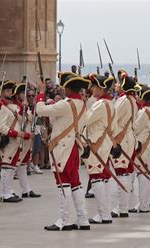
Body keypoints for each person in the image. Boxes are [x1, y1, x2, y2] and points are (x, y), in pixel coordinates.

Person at [36, 72, 90, 230]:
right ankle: (83, 219)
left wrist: (41, 93)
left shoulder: (66, 104)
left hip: (63, 149)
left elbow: (40, 110)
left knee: (63, 183)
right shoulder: (82, 104)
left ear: (67, 88)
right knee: (75, 184)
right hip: (73, 147)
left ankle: (64, 220)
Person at [81, 73, 118, 224]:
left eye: (95, 87)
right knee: (102, 177)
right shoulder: (110, 103)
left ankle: (103, 214)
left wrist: (84, 103)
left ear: (101, 89)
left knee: (96, 177)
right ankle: (105, 213)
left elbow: (86, 119)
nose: (93, 89)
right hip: (105, 143)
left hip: (97, 143)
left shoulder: (100, 104)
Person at [110, 72, 140, 218]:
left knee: (122, 172)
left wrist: (113, 138)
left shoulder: (123, 101)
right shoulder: (132, 100)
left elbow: (113, 119)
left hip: (122, 138)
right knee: (126, 172)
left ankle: (122, 208)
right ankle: (124, 206)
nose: (115, 85)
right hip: (129, 137)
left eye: (118, 83)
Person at [0, 80, 26, 203]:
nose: (10, 93)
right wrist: (16, 133)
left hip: (15, 141)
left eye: (10, 90)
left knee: (11, 167)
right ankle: (5, 193)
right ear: (1, 92)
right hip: (8, 140)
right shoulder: (1, 107)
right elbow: (1, 127)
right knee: (7, 167)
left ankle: (9, 190)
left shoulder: (11, 106)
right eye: (7, 90)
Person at [130, 85, 150, 213]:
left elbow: (136, 128)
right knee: (146, 174)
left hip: (143, 145)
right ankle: (144, 204)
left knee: (142, 174)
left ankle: (143, 205)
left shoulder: (143, 112)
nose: (136, 97)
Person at [11, 83, 41, 198]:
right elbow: (21, 120)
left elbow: (32, 119)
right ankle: (7, 191)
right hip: (19, 138)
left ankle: (26, 189)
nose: (26, 96)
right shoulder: (15, 107)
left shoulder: (26, 107)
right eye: (24, 94)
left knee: (23, 164)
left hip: (27, 138)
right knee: (11, 166)